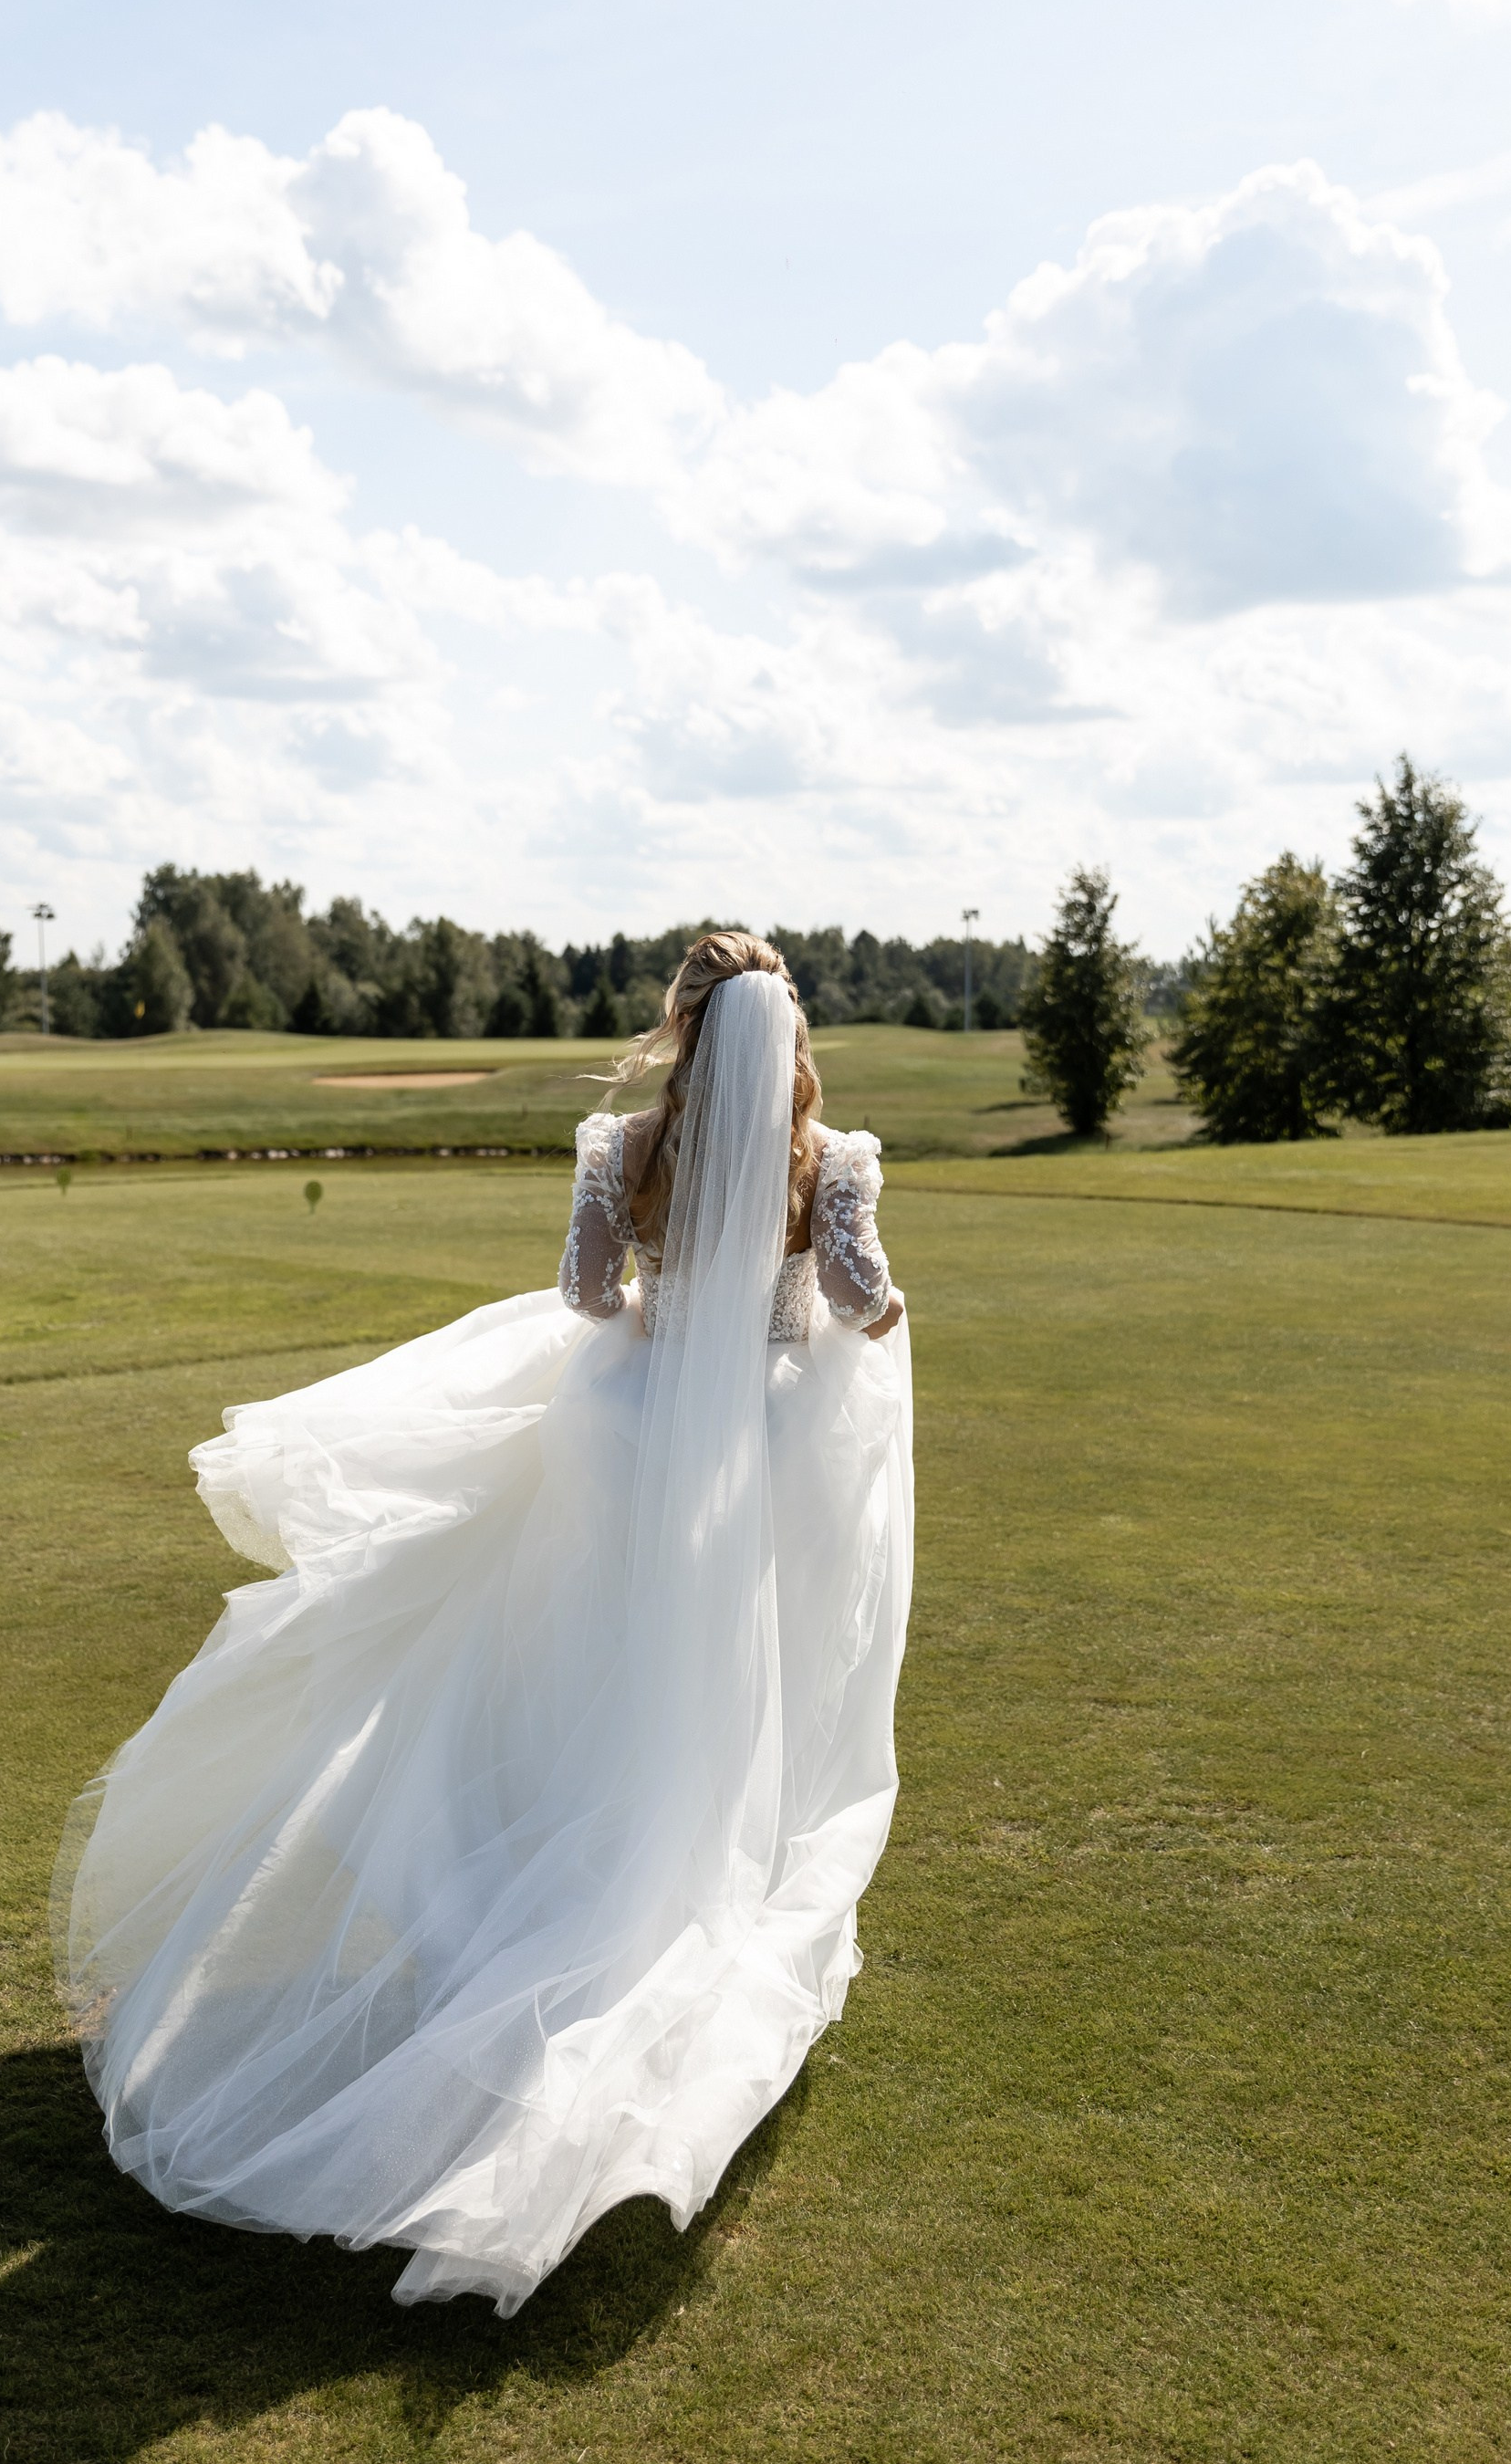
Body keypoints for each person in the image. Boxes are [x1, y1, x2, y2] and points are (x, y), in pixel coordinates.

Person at [53, 932, 912, 2314]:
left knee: (602, 1659)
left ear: (685, 1026)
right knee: (738, 1671)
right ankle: (694, 1873)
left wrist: (659, 1294)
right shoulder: (837, 1162)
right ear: (788, 1033)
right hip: (757, 1452)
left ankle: (556, 1863)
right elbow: (865, 1308)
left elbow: (585, 1294)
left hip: (629, 1438)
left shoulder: (625, 1146)